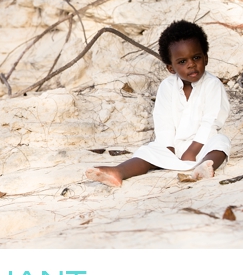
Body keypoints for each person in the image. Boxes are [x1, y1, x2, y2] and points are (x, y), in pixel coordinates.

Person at [86, 20, 230, 187]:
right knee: (147, 151)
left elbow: (211, 122)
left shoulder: (212, 85)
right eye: (182, 62)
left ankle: (203, 168)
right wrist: (167, 149)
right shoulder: (167, 87)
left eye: (196, 57)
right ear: (171, 68)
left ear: (205, 58)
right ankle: (119, 172)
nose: (191, 64)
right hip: (174, 148)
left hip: (203, 147)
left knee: (221, 142)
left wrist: (192, 151)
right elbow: (164, 121)